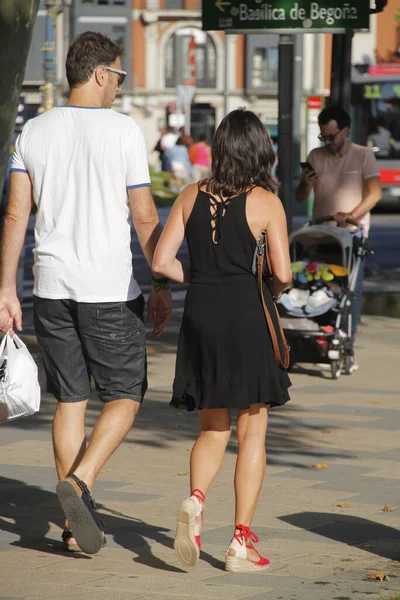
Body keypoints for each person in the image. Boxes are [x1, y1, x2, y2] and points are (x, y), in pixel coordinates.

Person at [0, 31, 172, 555]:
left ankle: (75, 526)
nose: (119, 86)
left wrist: (7, 288)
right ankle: (82, 483)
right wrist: (161, 279)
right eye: (118, 76)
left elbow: (15, 214)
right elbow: (144, 216)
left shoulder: (33, 131)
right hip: (108, 289)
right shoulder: (123, 131)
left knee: (71, 399)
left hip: (50, 287)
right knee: (124, 395)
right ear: (100, 74)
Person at [152, 108, 292, 572]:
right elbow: (285, 274)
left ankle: (195, 501)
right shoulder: (266, 202)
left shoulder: (191, 195)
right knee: (253, 431)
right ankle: (239, 543)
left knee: (213, 428)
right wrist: (267, 290)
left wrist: (196, 275)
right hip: (249, 317)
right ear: (258, 150)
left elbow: (160, 262)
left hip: (201, 317)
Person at [295, 105, 381, 350]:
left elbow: (374, 194)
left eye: (332, 136)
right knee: (314, 282)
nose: (328, 141)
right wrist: (304, 183)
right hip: (320, 230)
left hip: (351, 231)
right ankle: (318, 336)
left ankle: (346, 340)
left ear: (346, 131)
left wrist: (351, 216)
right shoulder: (316, 155)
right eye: (324, 136)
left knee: (350, 288)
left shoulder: (363, 155)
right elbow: (301, 198)